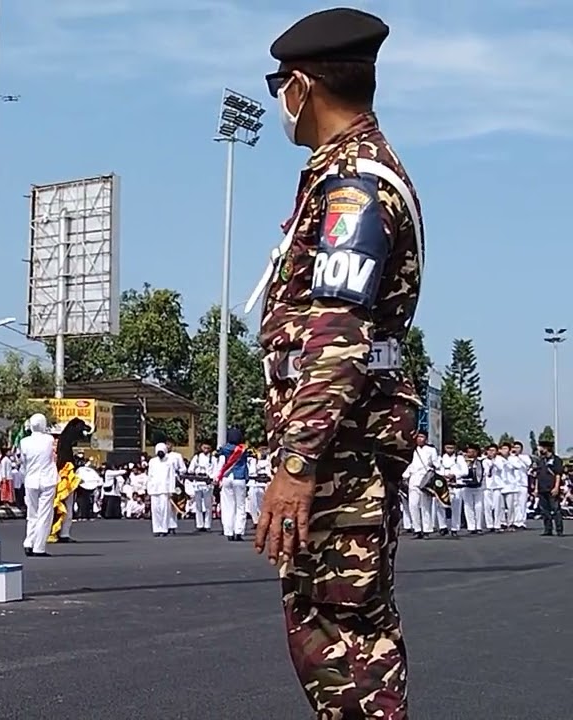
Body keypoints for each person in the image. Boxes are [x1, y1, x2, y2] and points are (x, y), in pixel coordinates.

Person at [251, 8, 422, 718]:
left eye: (279, 86)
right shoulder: (343, 176)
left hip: (339, 450)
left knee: (343, 643)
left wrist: (297, 466)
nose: (281, 103)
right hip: (344, 444)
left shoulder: (353, 184)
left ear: (302, 85)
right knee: (337, 640)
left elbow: (341, 333)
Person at [18, 413, 57, 557]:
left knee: (32, 514)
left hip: (31, 480)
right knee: (44, 515)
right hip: (47, 480)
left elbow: (23, 461)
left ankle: (29, 542)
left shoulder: (24, 442)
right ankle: (39, 547)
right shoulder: (49, 439)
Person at [216, 429, 251, 542]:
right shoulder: (243, 449)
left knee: (227, 506)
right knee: (240, 506)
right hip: (239, 478)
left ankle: (228, 532)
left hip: (227, 478)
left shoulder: (223, 450)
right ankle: (238, 532)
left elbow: (221, 464)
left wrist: (217, 478)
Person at [532, 440, 564, 537]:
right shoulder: (541, 460)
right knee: (544, 511)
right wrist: (536, 489)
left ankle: (559, 530)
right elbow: (538, 475)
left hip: (551, 488)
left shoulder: (556, 460)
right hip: (542, 488)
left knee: (555, 509)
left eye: (541, 447)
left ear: (546, 448)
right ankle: (548, 529)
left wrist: (556, 487)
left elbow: (558, 474)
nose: (540, 449)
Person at [435, 441, 467, 537]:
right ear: (444, 448)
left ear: (455, 448)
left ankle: (454, 528)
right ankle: (442, 526)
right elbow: (436, 470)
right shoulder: (440, 458)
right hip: (443, 484)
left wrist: (454, 475)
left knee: (456, 507)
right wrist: (443, 475)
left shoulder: (459, 458)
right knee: (440, 506)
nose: (449, 450)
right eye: (448, 447)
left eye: (451, 448)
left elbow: (465, 471)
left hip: (455, 484)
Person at [146, 443, 177, 537]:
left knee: (164, 510)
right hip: (154, 489)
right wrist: (148, 489)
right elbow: (150, 476)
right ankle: (157, 528)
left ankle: (164, 529)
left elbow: (172, 476)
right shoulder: (152, 461)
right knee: (155, 510)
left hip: (165, 489)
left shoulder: (169, 461)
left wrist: (171, 490)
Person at [187, 441, 218, 532]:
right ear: (201, 447)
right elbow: (190, 470)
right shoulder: (196, 458)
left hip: (207, 483)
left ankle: (207, 524)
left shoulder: (213, 459)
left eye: (208, 448)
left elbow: (216, 471)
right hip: (198, 482)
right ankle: (199, 524)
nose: (206, 450)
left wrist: (212, 479)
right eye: (204, 447)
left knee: (208, 505)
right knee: (198, 505)